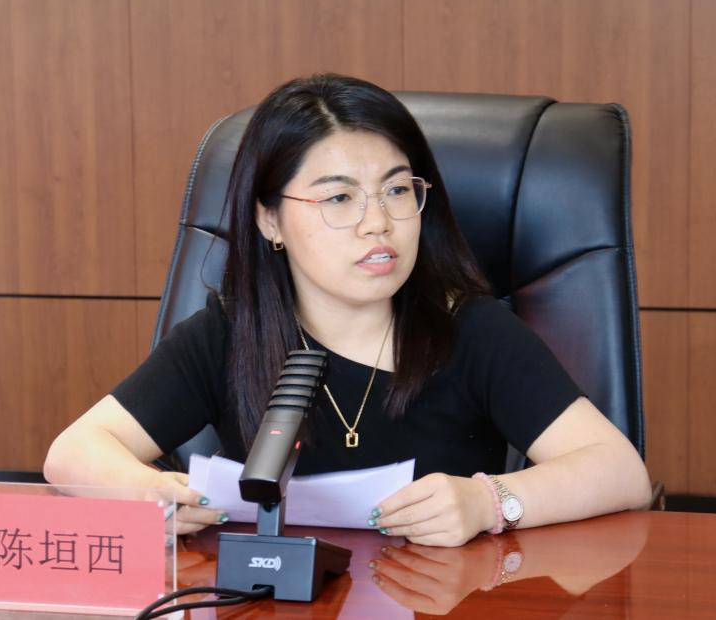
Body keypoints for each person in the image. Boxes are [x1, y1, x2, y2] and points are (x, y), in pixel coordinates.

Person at [44, 73, 652, 547]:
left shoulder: (469, 330)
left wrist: (490, 502)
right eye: (339, 197)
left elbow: (619, 472)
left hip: (437, 599)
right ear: (269, 220)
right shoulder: (231, 332)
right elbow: (74, 451)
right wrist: (148, 492)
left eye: (397, 190)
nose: (378, 222)